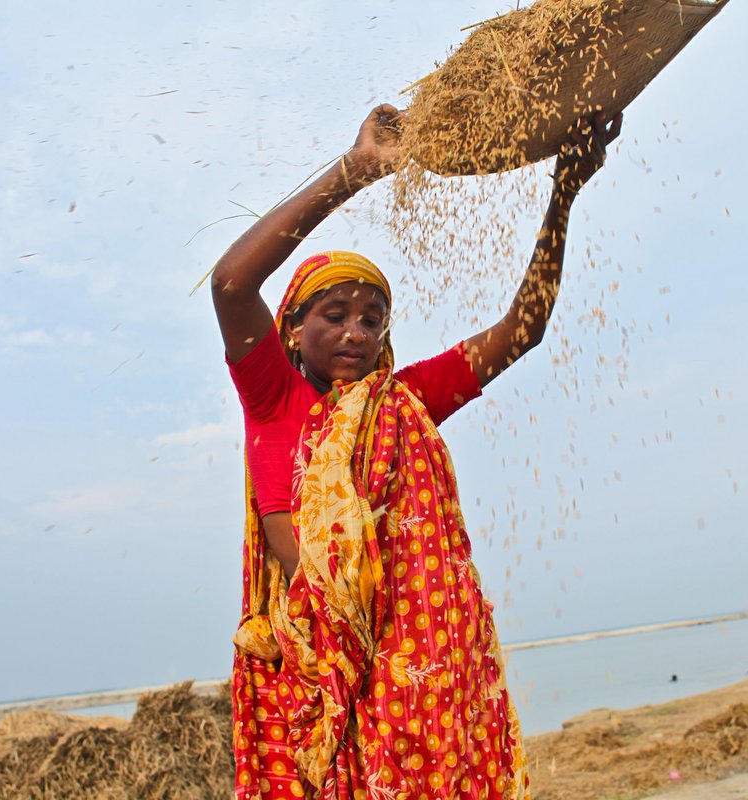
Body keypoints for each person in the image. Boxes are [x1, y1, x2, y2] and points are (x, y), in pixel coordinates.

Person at [211, 103, 622, 799]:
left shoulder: (398, 403)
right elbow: (230, 283)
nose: (355, 333)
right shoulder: (274, 398)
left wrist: (564, 193)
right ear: (290, 331)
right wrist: (357, 169)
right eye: (333, 315)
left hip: (407, 674)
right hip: (310, 675)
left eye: (372, 319)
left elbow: (523, 330)